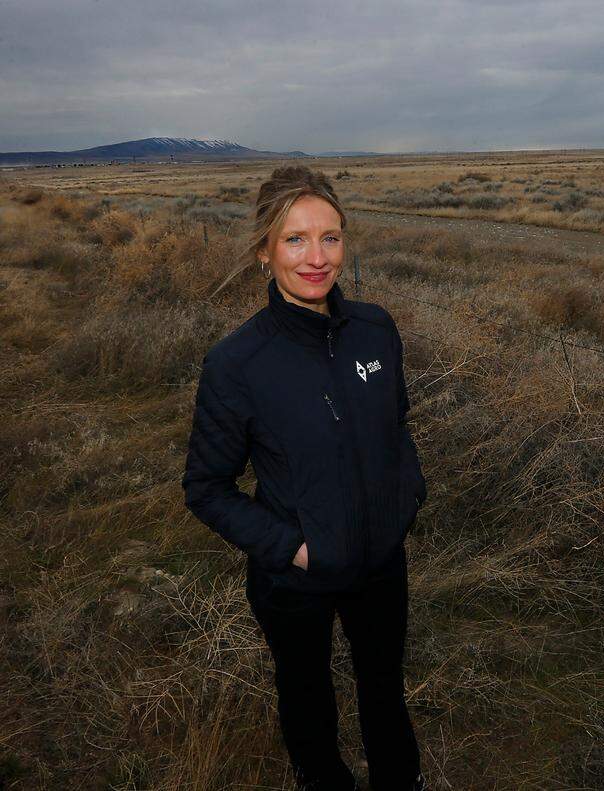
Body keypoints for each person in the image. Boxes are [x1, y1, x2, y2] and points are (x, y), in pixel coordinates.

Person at [183, 166, 427, 791]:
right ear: (264, 251)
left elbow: (396, 427)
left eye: (330, 238)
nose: (316, 258)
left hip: (380, 564)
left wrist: (404, 501)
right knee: (307, 700)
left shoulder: (376, 329)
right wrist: (292, 547)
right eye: (295, 240)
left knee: (384, 691)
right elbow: (207, 488)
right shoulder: (238, 363)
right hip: (297, 578)